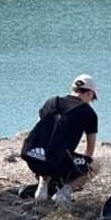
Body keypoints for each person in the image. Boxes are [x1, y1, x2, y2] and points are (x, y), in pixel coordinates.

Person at [29, 74, 99, 208]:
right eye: (92, 98)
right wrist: (79, 171)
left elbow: (39, 130)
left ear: (72, 89)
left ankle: (42, 186)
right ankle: (64, 192)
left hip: (34, 158)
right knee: (95, 165)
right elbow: (89, 151)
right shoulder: (88, 113)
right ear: (90, 93)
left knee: (50, 151)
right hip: (57, 161)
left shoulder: (52, 101)